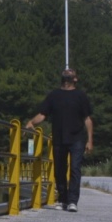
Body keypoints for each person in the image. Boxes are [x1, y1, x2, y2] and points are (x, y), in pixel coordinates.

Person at [24, 68, 94, 212]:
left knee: (75, 169)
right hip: (59, 138)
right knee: (59, 170)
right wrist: (31, 122)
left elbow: (87, 119)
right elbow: (42, 115)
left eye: (71, 71)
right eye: (66, 71)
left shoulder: (80, 95)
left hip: (77, 139)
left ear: (75, 79)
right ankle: (63, 200)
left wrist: (90, 140)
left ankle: (73, 201)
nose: (68, 71)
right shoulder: (54, 95)